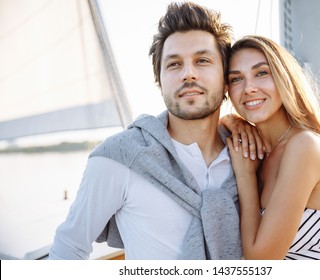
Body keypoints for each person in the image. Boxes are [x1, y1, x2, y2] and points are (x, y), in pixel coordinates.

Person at [49, 2, 246, 260]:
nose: (189, 74)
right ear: (159, 81)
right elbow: (70, 248)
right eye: (174, 64)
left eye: (202, 60)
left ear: (225, 78)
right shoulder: (118, 157)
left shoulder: (249, 152)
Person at [225, 35, 320, 260]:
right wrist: (228, 120)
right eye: (236, 79)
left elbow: (260, 261)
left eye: (261, 73)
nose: (248, 88)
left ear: (285, 78)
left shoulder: (306, 147)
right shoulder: (262, 148)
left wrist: (246, 176)